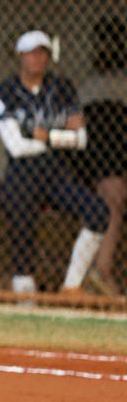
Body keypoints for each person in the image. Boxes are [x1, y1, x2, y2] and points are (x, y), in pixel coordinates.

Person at [0, 30, 108, 296]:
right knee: (23, 233)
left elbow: (80, 139)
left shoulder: (61, 88)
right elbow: (16, 146)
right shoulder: (6, 90)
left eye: (43, 52)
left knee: (98, 211)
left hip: (55, 172)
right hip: (21, 174)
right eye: (32, 53)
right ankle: (25, 299)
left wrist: (45, 135)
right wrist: (60, 135)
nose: (38, 58)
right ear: (21, 56)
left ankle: (72, 286)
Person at [75, 16, 127, 297]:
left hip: (117, 158)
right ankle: (100, 272)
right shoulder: (89, 88)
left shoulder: (121, 83)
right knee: (111, 197)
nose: (108, 49)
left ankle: (98, 272)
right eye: (104, 42)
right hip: (99, 162)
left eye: (115, 42)